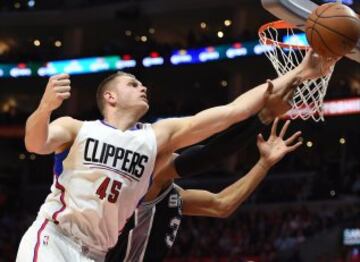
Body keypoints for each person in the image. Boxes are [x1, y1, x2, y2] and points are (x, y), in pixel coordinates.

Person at [17, 50, 336, 262]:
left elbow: (231, 112)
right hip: (54, 241)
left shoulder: (155, 138)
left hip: (97, 254)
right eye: (132, 83)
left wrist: (299, 72)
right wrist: (44, 108)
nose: (142, 88)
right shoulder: (76, 128)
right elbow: (35, 143)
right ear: (110, 97)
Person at [104, 79, 301, 261]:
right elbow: (207, 156)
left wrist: (264, 164)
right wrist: (264, 116)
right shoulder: (148, 177)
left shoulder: (169, 195)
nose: (174, 150)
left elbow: (221, 205)